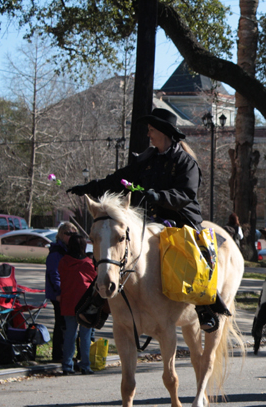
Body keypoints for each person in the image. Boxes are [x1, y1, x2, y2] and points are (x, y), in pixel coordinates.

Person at [66, 107, 228, 332]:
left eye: (152, 130)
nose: (149, 134)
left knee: (193, 250)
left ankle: (205, 306)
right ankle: (98, 300)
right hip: (147, 217)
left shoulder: (186, 162)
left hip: (178, 217)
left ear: (164, 132)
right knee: (117, 249)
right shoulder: (146, 160)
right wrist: (90, 187)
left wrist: (157, 195)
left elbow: (186, 195)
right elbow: (117, 180)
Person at [58, 234, 96, 374]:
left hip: (68, 301)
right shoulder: (88, 263)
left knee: (70, 334)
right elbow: (94, 280)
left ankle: (67, 365)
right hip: (85, 302)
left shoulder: (64, 261)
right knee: (85, 335)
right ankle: (85, 365)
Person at [45, 222, 77, 363]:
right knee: (61, 324)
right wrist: (58, 292)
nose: (71, 237)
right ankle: (58, 355)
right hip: (58, 293)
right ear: (61, 234)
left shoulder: (69, 250)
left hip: (67, 292)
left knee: (65, 324)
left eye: (73, 234)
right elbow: (54, 274)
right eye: (68, 234)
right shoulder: (56, 251)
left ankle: (64, 353)